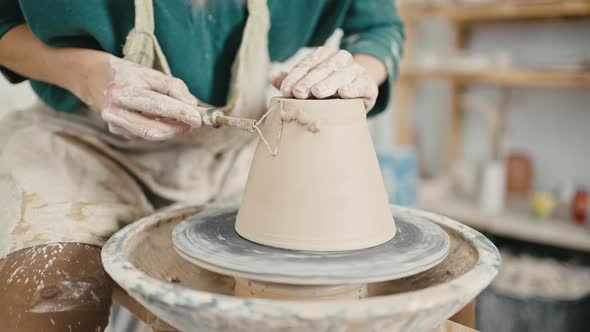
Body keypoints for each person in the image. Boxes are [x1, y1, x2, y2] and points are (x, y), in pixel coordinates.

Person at [0, 0, 404, 330]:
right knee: (47, 292)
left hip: (238, 153)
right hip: (80, 144)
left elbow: (380, 26)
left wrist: (358, 73)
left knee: (318, 292)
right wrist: (89, 75)